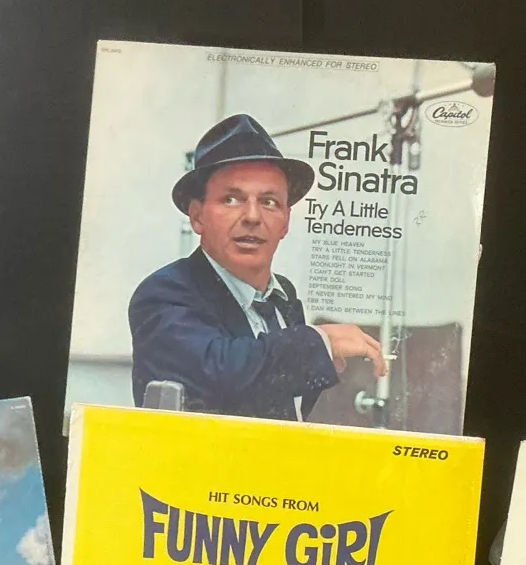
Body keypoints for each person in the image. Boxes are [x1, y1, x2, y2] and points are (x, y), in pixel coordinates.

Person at [128, 113, 386, 421]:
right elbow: (221, 372)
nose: (252, 216)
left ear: (285, 222)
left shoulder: (284, 296)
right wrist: (321, 342)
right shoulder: (163, 292)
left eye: (269, 202)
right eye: (231, 199)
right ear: (197, 217)